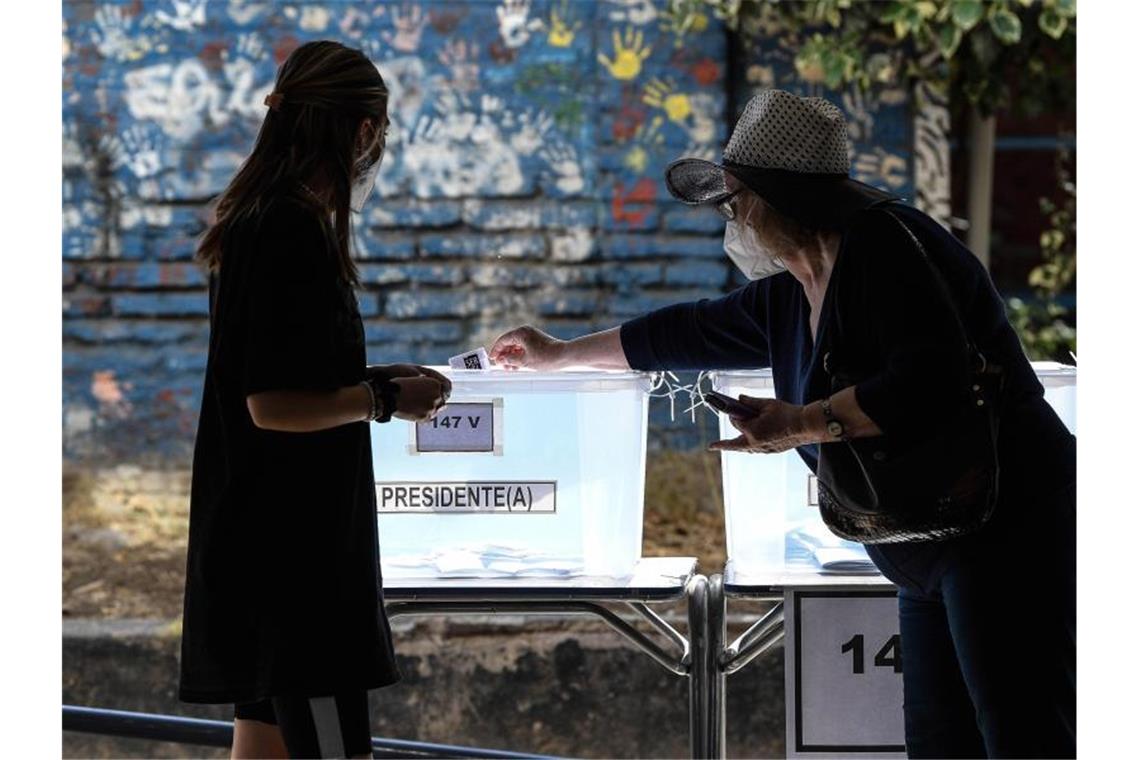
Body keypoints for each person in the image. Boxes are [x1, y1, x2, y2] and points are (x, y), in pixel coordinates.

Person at [490, 90, 1075, 758]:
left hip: (1004, 531)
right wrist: (559, 353)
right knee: (941, 743)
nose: (732, 218)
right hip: (920, 542)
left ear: (777, 199)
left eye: (736, 200)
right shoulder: (793, 290)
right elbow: (686, 332)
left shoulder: (889, 250)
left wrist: (801, 422)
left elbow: (928, 381)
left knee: (1024, 734)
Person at [181, 41, 450, 759]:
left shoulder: (263, 222)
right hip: (297, 570)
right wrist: (383, 398)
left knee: (262, 748)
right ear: (364, 131)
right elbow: (271, 404)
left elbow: (286, 370)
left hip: (263, 553)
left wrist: (381, 376)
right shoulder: (285, 230)